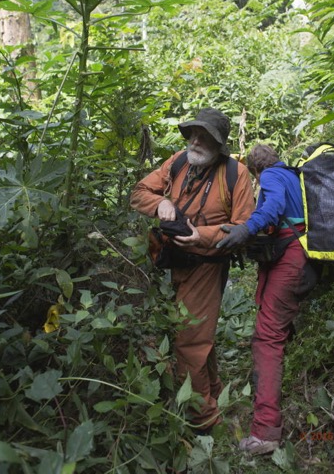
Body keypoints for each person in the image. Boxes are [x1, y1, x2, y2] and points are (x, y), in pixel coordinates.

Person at [130, 108, 255, 433]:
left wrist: (204, 235)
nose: (196, 141)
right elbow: (139, 192)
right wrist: (160, 204)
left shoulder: (235, 173)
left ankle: (203, 421)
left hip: (207, 266)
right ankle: (211, 392)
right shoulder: (178, 161)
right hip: (174, 262)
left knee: (189, 340)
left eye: (206, 136)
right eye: (193, 133)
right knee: (196, 336)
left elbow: (244, 227)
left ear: (218, 143)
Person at [217, 143, 318, 455]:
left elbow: (272, 208)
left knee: (267, 338)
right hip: (303, 259)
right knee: (275, 329)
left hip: (291, 261)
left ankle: (265, 432)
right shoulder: (293, 175)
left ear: (256, 170)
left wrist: (245, 229)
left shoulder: (272, 177)